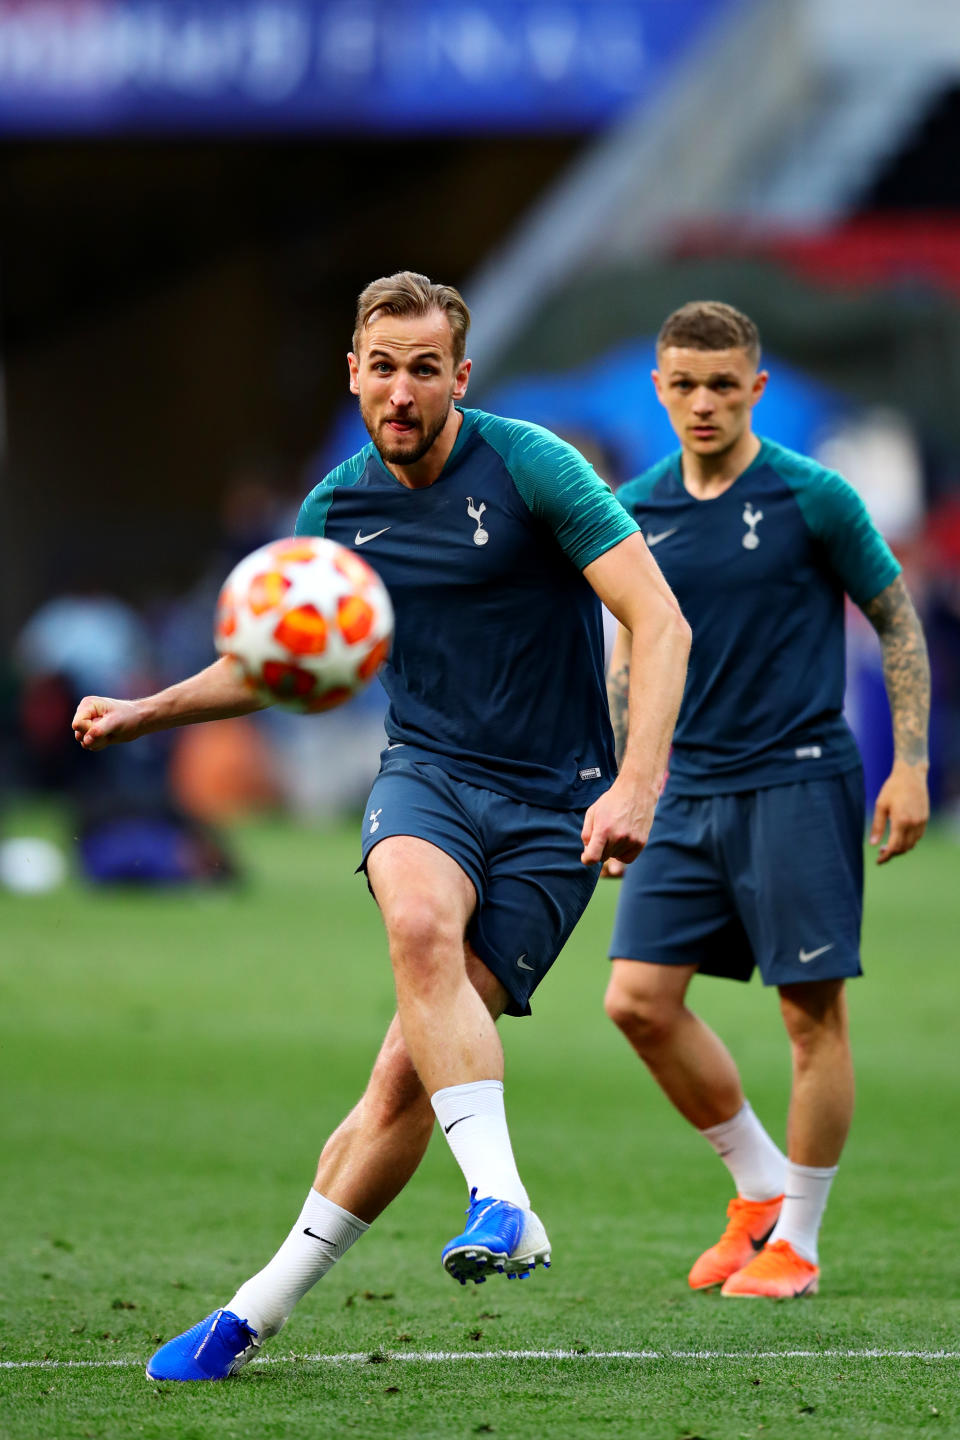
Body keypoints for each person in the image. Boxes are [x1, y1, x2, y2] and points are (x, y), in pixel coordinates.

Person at [72, 271, 691, 1379]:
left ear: (460, 375)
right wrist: (148, 708)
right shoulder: (334, 513)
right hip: (429, 776)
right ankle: (500, 1197)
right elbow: (268, 661)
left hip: (557, 807)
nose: (400, 390)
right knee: (416, 924)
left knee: (405, 1080)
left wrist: (636, 784)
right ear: (352, 373)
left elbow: (660, 619)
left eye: (423, 368)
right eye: (381, 367)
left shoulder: (533, 467)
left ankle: (251, 1314)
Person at [603, 301, 930, 1299]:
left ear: (757, 387)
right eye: (684, 385)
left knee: (809, 1017)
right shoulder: (634, 507)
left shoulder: (811, 496)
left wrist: (911, 764)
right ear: (659, 388)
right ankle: (757, 1187)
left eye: (723, 384)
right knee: (638, 1002)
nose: (703, 403)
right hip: (683, 786)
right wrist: (629, 778)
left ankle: (801, 1242)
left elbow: (898, 623)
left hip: (796, 774)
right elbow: (626, 643)